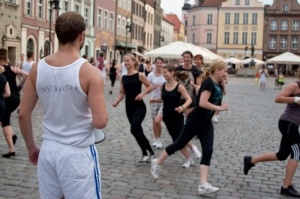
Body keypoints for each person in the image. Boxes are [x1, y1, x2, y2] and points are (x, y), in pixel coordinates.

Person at [18, 11, 108, 198]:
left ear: (57, 34)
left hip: (49, 150)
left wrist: (30, 147)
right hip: (77, 154)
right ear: (81, 35)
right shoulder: (90, 72)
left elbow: (23, 114)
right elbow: (100, 122)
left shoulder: (38, 68)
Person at [151, 61, 228, 195]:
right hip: (195, 120)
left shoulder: (216, 84)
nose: (226, 73)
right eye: (225, 71)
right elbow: (203, 103)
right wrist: (219, 108)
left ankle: (203, 185)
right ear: (217, 71)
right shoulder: (208, 83)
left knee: (208, 150)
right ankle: (157, 162)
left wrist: (222, 84)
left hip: (206, 123)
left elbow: (217, 95)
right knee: (179, 143)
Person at [243, 69, 300, 197]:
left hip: (293, 125)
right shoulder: (295, 86)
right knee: (297, 152)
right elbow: (278, 98)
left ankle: (251, 160)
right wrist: (296, 99)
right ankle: (286, 187)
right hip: (287, 123)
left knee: (282, 155)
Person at [150, 64, 196, 168]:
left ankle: (191, 154)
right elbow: (164, 99)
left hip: (177, 116)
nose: (164, 74)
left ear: (172, 72)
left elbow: (189, 99)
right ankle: (191, 154)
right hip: (167, 117)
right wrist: (154, 100)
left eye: (166, 72)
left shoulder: (179, 86)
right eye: (163, 72)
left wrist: (182, 107)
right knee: (177, 140)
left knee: (179, 139)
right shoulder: (163, 85)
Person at [112, 53, 155, 163]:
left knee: (134, 129)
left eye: (128, 61)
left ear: (134, 62)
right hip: (129, 107)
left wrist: (142, 94)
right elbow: (122, 92)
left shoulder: (140, 75)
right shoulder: (123, 77)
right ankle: (146, 153)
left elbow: (150, 86)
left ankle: (149, 150)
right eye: (125, 61)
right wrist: (117, 101)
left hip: (139, 107)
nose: (126, 63)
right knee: (138, 130)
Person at [0, 48, 27, 158]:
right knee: (4, 118)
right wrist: (20, 86)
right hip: (16, 97)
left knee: (5, 122)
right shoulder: (12, 68)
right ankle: (13, 135)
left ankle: (11, 149)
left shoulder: (1, 69)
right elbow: (27, 75)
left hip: (7, 97)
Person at [176, 50, 202, 158]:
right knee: (179, 124)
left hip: (190, 98)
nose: (186, 59)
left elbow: (199, 86)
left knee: (189, 121)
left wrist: (194, 85)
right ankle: (186, 142)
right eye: (184, 57)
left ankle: (187, 142)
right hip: (178, 98)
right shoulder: (178, 69)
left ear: (191, 58)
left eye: (188, 57)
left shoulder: (196, 70)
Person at [147, 57, 166, 149]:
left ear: (163, 64)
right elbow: (146, 86)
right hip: (153, 99)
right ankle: (156, 139)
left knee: (158, 121)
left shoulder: (165, 74)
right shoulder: (151, 75)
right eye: (157, 63)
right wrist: (152, 87)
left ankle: (159, 138)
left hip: (163, 100)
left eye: (161, 63)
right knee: (154, 121)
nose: (159, 64)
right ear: (155, 64)